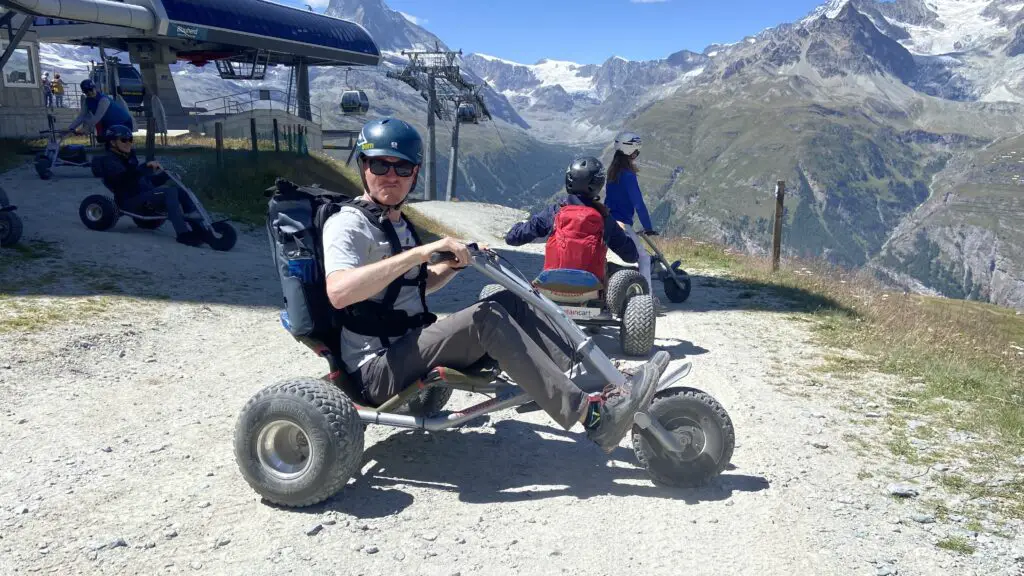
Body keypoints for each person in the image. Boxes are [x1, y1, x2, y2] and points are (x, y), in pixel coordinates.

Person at [322, 117, 666, 454]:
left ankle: (604, 379)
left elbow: (417, 288)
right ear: (363, 166)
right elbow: (339, 294)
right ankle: (593, 417)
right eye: (380, 166)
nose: (391, 176)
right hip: (376, 369)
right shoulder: (348, 225)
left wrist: (456, 265)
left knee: (518, 300)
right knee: (487, 318)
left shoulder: (397, 224)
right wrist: (421, 253)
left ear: (415, 172)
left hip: (408, 347)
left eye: (402, 168)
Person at [505, 155, 639, 281]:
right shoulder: (604, 218)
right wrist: (623, 231)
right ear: (597, 184)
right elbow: (631, 256)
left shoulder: (554, 211)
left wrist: (520, 225)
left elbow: (512, 238)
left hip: (551, 285)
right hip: (590, 289)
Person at [95, 125, 204, 247]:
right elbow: (123, 181)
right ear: (113, 142)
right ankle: (183, 234)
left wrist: (165, 176)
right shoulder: (109, 161)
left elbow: (146, 182)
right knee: (170, 192)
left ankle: (201, 229)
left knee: (181, 190)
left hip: (142, 196)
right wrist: (144, 167)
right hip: (128, 200)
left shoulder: (129, 158)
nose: (128, 143)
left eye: (130, 139)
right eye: (124, 140)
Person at [605, 131, 658, 293]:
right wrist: (648, 227)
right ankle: (646, 295)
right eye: (636, 151)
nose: (637, 154)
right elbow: (639, 204)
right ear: (630, 151)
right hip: (621, 223)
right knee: (644, 258)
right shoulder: (628, 175)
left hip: (607, 220)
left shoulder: (612, 171)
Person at [69, 79, 134, 142]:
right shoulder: (87, 101)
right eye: (86, 91)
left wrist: (85, 129)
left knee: (119, 143)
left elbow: (97, 118)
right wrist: (70, 128)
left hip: (123, 122)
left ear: (95, 88)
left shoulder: (103, 100)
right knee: (104, 140)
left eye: (90, 90)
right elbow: (81, 116)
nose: (89, 92)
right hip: (109, 123)